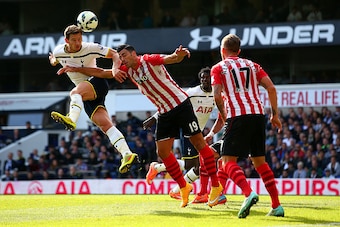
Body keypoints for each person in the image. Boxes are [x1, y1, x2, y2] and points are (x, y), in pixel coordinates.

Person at [58, 44, 222, 208]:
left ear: (133, 53)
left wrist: (178, 55)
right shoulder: (127, 70)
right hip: (164, 112)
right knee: (163, 152)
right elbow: (101, 72)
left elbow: (170, 58)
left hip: (180, 105)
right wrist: (74, 68)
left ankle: (215, 186)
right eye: (120, 57)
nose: (121, 59)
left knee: (199, 144)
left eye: (124, 55)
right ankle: (184, 187)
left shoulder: (148, 60)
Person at [211, 33, 284, 218]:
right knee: (260, 162)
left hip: (237, 115)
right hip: (258, 115)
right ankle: (276, 205)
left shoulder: (218, 68)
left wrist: (224, 114)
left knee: (226, 162)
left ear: (222, 50)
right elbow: (272, 88)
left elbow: (217, 94)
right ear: (239, 50)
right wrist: (274, 115)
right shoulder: (253, 65)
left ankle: (248, 193)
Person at [48, 24, 137, 174]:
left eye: (80, 39)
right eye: (74, 40)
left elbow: (115, 54)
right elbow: (55, 59)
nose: (78, 43)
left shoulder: (90, 47)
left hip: (96, 82)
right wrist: (52, 60)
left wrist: (115, 69)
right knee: (106, 126)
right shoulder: (58, 51)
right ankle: (127, 154)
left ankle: (72, 119)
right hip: (88, 94)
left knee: (74, 93)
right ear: (66, 41)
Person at [143, 67, 226, 204]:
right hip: (187, 129)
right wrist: (155, 117)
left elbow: (221, 117)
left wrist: (211, 133)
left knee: (200, 166)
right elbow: (172, 104)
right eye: (203, 78)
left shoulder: (217, 94)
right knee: (192, 164)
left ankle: (178, 190)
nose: (205, 80)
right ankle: (157, 168)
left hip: (198, 132)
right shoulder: (192, 92)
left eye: (208, 78)